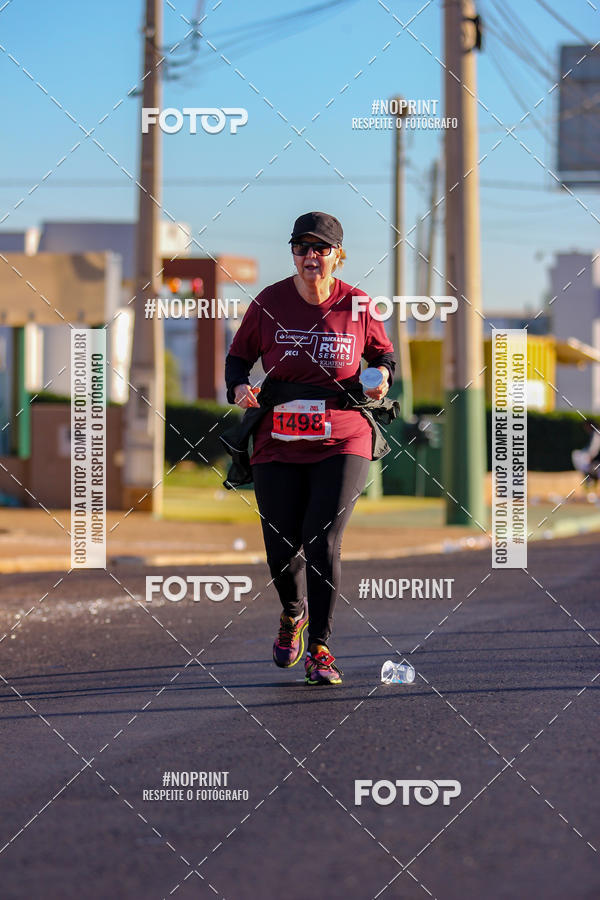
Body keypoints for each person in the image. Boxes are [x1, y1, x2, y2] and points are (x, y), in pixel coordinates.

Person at [223, 211, 397, 686]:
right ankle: (292, 613)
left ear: (338, 256)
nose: (311, 256)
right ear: (293, 254)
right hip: (277, 436)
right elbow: (238, 358)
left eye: (321, 248)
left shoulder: (359, 305)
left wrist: (379, 379)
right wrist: (239, 387)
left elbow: (383, 358)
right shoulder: (269, 302)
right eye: (302, 247)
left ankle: (321, 648)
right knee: (281, 544)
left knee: (322, 540)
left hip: (342, 433)